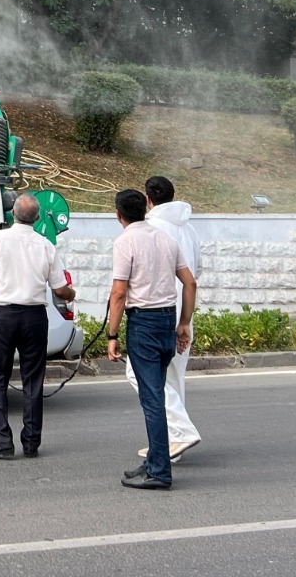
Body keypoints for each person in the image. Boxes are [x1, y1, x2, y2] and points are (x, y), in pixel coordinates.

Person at [0, 195, 76, 460]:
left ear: (13, 213)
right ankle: (31, 442)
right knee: (33, 378)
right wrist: (72, 293)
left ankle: (3, 441)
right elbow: (60, 289)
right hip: (34, 318)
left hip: (3, 316)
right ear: (37, 218)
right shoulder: (46, 245)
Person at [105, 188, 196, 490]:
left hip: (143, 322)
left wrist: (112, 335)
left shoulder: (125, 241)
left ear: (118, 214)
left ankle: (159, 470)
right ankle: (154, 461)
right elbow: (190, 282)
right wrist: (184, 323)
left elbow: (119, 292)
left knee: (152, 399)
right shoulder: (166, 239)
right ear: (145, 207)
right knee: (156, 392)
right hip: (167, 319)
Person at [126, 175, 203, 461]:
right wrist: (185, 320)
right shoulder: (189, 229)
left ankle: (181, 431)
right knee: (174, 376)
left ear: (148, 199)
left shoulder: (150, 228)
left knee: (138, 373)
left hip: (156, 310)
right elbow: (195, 275)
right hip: (184, 310)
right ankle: (170, 444)